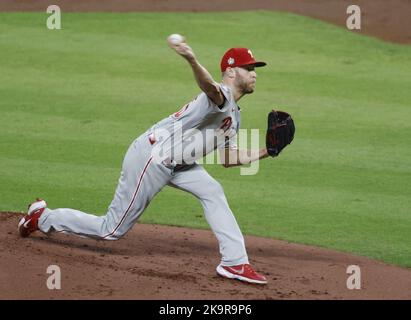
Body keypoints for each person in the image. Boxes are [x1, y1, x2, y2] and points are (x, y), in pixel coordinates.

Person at [18, 38, 271, 284]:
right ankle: (42, 217)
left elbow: (229, 159)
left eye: (254, 69)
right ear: (230, 71)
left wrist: (267, 150)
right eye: (248, 68)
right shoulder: (221, 95)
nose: (254, 73)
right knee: (111, 229)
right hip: (153, 157)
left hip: (179, 163)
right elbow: (209, 86)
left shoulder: (235, 117)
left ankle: (234, 262)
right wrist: (191, 59)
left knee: (213, 191)